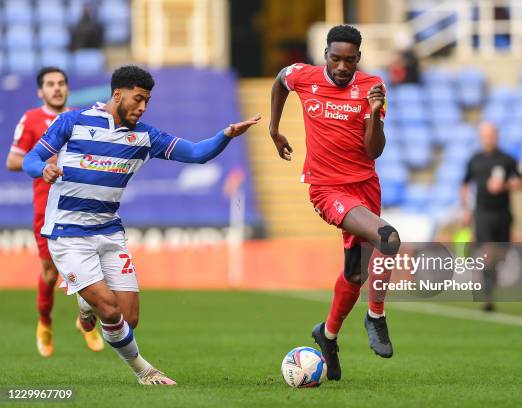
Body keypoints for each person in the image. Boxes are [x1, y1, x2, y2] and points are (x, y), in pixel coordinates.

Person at [22, 65, 261, 385]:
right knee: (109, 310)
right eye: (138, 99)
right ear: (117, 94)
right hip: (68, 231)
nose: (143, 107)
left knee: (128, 318)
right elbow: (30, 160)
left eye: (147, 101)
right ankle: (144, 371)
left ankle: (85, 300)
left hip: (108, 231)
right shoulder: (73, 121)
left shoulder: (145, 136)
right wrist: (44, 170)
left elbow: (196, 153)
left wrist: (227, 135)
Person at [269, 25, 401, 381]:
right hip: (327, 190)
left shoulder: (372, 87)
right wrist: (273, 128)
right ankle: (375, 315)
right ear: (324, 55)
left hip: (365, 188)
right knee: (387, 238)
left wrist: (374, 112)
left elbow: (374, 150)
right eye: (335, 58)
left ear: (358, 59)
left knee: (356, 273)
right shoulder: (304, 76)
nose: (342, 66)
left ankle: (326, 336)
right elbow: (280, 80)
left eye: (349, 60)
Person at [5, 66, 104, 357]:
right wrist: (45, 161)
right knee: (49, 273)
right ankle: (45, 322)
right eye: (50, 84)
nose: (57, 88)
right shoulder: (32, 119)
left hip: (80, 205)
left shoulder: (79, 118)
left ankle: (86, 321)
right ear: (40, 91)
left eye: (61, 83)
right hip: (46, 209)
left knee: (90, 267)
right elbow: (13, 161)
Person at [461, 122, 522, 311]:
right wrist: (465, 209)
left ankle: (490, 279)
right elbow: (465, 184)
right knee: (488, 254)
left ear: (496, 136)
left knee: (501, 254)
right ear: (480, 137)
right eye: (485, 134)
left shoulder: (506, 159)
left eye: (492, 134)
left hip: (503, 214)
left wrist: (505, 186)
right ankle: (488, 297)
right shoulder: (474, 160)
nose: (489, 138)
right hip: (482, 214)